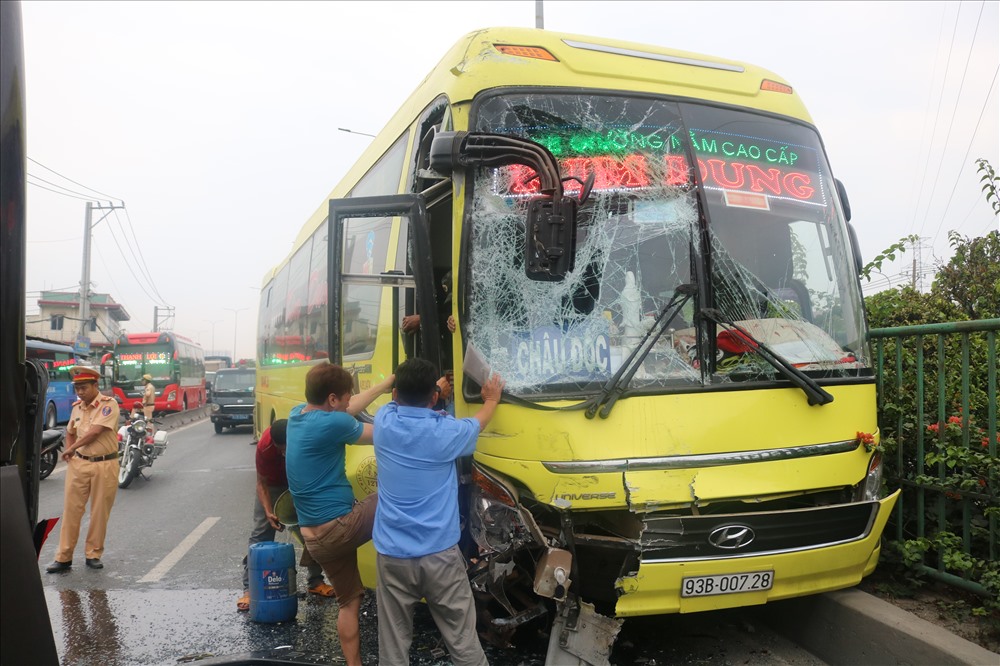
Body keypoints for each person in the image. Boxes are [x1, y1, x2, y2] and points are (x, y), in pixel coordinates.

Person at [372, 358, 504, 666]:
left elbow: (400, 403)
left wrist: (432, 394)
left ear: (395, 395)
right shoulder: (447, 432)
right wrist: (493, 398)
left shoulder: (384, 421)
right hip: (440, 557)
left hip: (392, 555)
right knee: (462, 640)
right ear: (433, 397)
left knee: (392, 646)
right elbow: (479, 420)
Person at [285, 365, 394, 666]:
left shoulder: (298, 415)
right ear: (332, 400)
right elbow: (386, 434)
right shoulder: (332, 426)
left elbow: (349, 409)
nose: (350, 403)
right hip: (340, 528)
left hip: (315, 539)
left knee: (349, 602)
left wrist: (385, 384)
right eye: (345, 398)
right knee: (394, 495)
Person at [236, 419, 334, 612]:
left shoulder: (306, 440)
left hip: (299, 483)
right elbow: (261, 484)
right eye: (280, 450)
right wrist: (268, 511)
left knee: (311, 530)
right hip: (272, 485)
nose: (283, 453)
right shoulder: (264, 447)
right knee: (260, 534)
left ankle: (315, 581)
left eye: (286, 449)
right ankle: (250, 589)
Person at [46, 365, 122, 573]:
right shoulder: (77, 408)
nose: (80, 392)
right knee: (71, 511)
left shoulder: (109, 405)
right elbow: (70, 430)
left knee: (99, 511)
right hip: (80, 464)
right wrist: (72, 452)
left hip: (105, 464)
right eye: (77, 388)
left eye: (84, 387)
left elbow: (95, 432)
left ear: (95, 385)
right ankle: (63, 557)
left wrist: (70, 448)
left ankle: (93, 553)